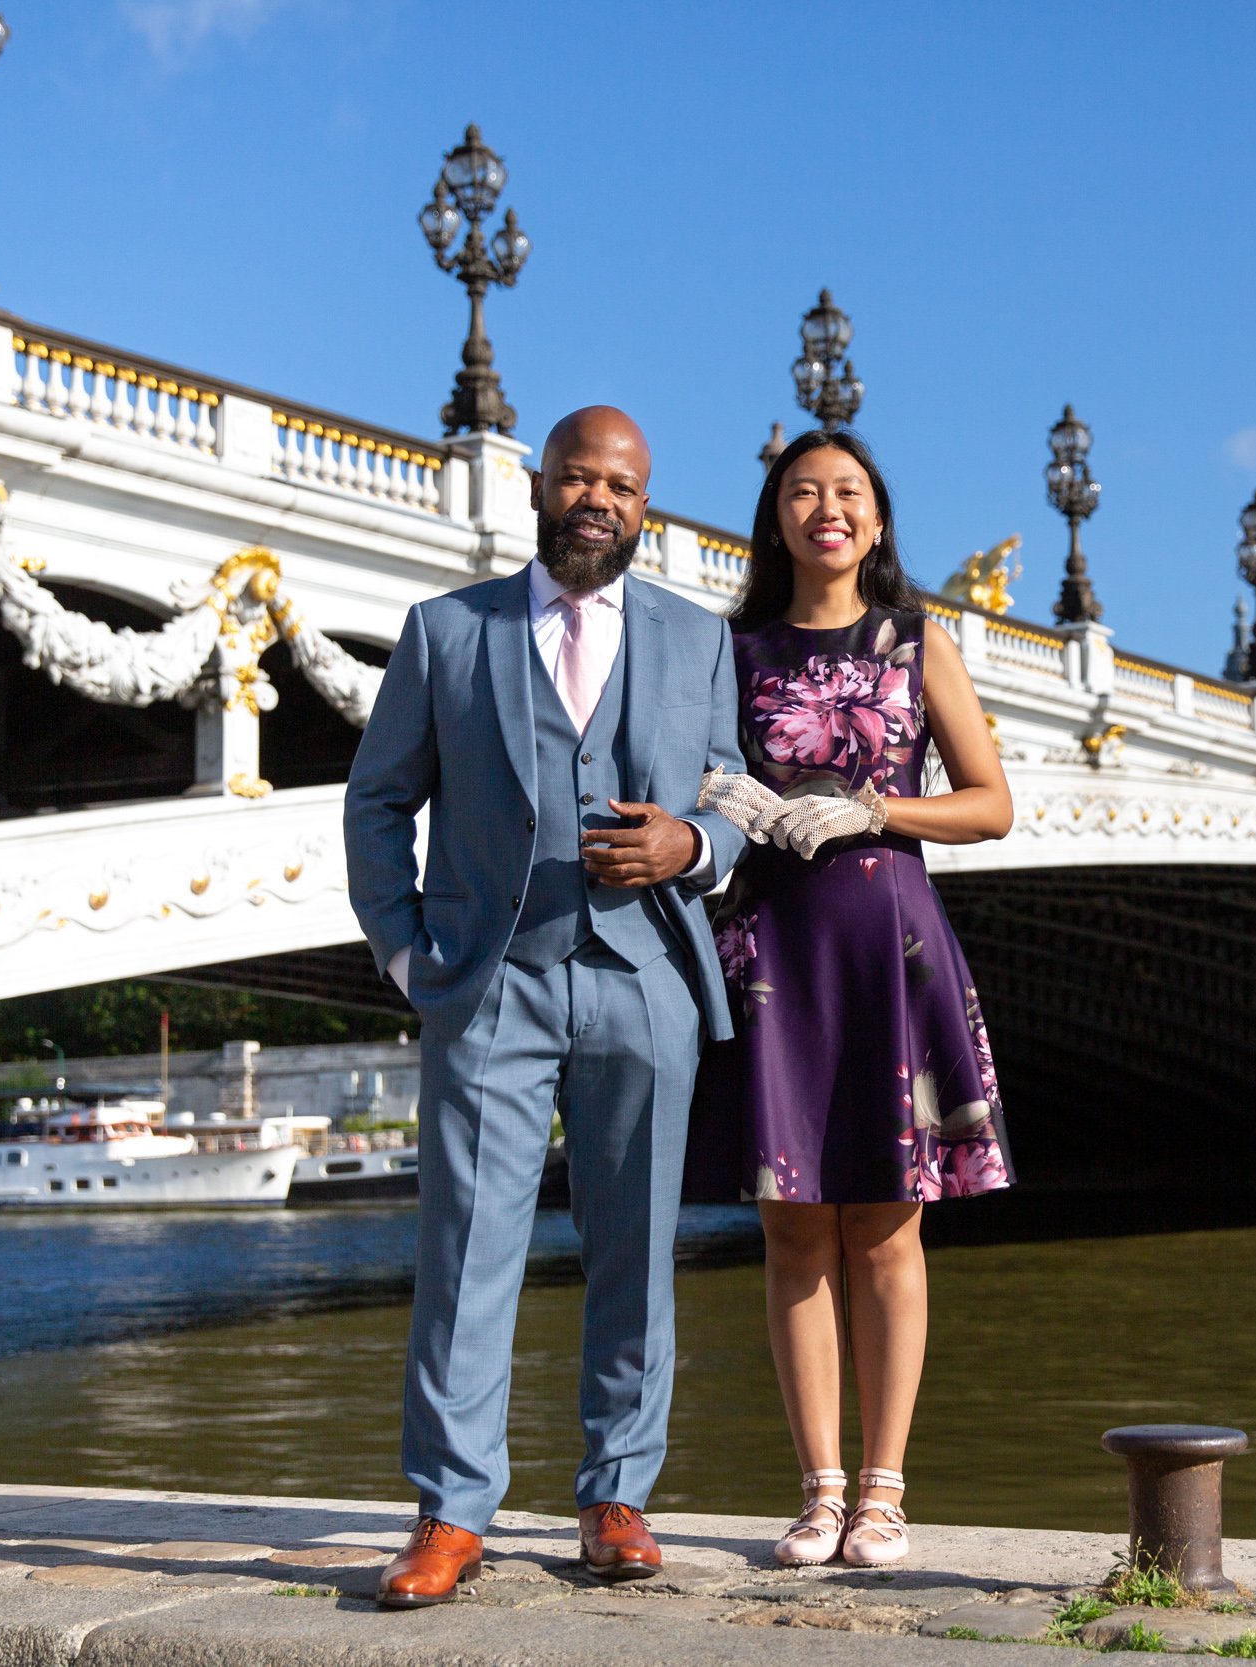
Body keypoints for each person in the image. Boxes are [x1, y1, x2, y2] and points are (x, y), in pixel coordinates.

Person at [343, 406, 748, 1607]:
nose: (599, 500)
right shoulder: (446, 632)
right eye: (580, 477)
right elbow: (376, 803)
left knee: (636, 1248)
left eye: (622, 486)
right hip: (490, 979)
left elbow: (734, 798)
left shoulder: (696, 640)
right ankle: (451, 1509)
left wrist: (692, 843)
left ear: (643, 505)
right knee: (466, 1248)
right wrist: (409, 955)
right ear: (539, 485)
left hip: (645, 978)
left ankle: (615, 1492)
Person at [687, 427, 1016, 1569]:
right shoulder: (731, 650)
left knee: (884, 1224)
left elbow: (989, 803)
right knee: (791, 1227)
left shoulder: (919, 641)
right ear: (775, 517)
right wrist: (724, 797)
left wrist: (876, 811)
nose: (827, 508)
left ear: (875, 520)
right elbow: (689, 777)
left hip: (887, 940)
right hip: (775, 939)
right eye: (803, 492)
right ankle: (817, 1488)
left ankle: (884, 1489)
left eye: (849, 493)